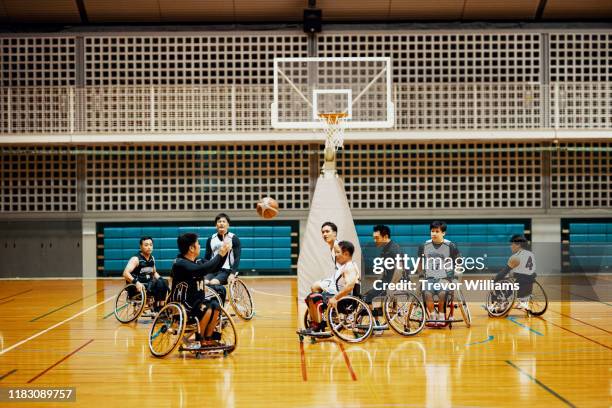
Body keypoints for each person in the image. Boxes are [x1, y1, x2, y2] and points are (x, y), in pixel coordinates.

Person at [171, 232, 232, 348]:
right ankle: (200, 338)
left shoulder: (198, 261)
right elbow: (201, 270)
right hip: (184, 304)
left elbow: (215, 267)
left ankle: (208, 338)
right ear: (191, 248)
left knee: (216, 305)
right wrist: (219, 254)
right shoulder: (180, 263)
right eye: (198, 244)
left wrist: (225, 253)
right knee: (207, 308)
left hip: (197, 300)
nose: (200, 246)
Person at [302, 241, 360, 334]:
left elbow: (349, 287)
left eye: (337, 252)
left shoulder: (349, 267)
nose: (335, 255)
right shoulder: (347, 265)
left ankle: (317, 325)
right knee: (313, 294)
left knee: (313, 298)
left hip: (344, 301)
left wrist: (335, 298)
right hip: (342, 297)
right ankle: (318, 322)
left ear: (346, 254)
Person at [417, 221, 461, 327]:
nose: (434, 234)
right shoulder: (424, 245)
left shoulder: (450, 246)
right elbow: (420, 262)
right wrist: (421, 276)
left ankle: (441, 315)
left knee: (442, 293)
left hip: (445, 278)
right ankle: (432, 316)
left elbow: (458, 262)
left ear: (443, 233)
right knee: (427, 293)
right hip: (429, 278)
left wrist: (456, 278)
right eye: (432, 231)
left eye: (437, 231)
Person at [122, 236, 169, 312]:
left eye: (151, 245)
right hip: (137, 287)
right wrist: (136, 282)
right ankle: (158, 309)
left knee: (164, 282)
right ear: (141, 247)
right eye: (146, 245)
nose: (149, 247)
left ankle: (161, 307)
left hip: (148, 285)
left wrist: (162, 281)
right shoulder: (136, 259)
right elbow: (125, 273)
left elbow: (154, 273)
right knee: (159, 283)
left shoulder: (152, 258)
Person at [494, 234, 537, 310]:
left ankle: (502, 302)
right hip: (530, 283)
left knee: (498, 280)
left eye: (512, 244)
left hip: (519, 284)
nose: (511, 246)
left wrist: (494, 279)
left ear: (518, 245)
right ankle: (524, 301)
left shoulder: (515, 257)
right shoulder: (531, 254)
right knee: (515, 277)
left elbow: (503, 272)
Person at [363, 224, 402, 304]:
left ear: (385, 237)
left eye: (377, 238)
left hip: (395, 281)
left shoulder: (393, 248)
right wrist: (376, 283)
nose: (375, 240)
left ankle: (372, 315)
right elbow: (383, 270)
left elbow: (399, 269)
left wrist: (392, 285)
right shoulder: (385, 249)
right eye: (374, 238)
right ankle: (374, 315)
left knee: (368, 297)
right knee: (366, 295)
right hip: (386, 281)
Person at [204, 213, 241, 287]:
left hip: (226, 270)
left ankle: (219, 296)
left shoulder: (233, 238)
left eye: (224, 221)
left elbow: (237, 258)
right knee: (204, 282)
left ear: (228, 225)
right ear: (216, 225)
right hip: (213, 269)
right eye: (219, 221)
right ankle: (209, 298)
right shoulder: (210, 239)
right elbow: (207, 258)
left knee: (213, 282)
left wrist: (233, 273)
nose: (221, 223)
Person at [310, 221, 340, 293]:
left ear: (334, 233)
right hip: (337, 279)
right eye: (323, 232)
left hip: (341, 283)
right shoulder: (333, 246)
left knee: (315, 287)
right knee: (315, 285)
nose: (324, 234)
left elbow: (348, 265)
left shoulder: (338, 246)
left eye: (327, 231)